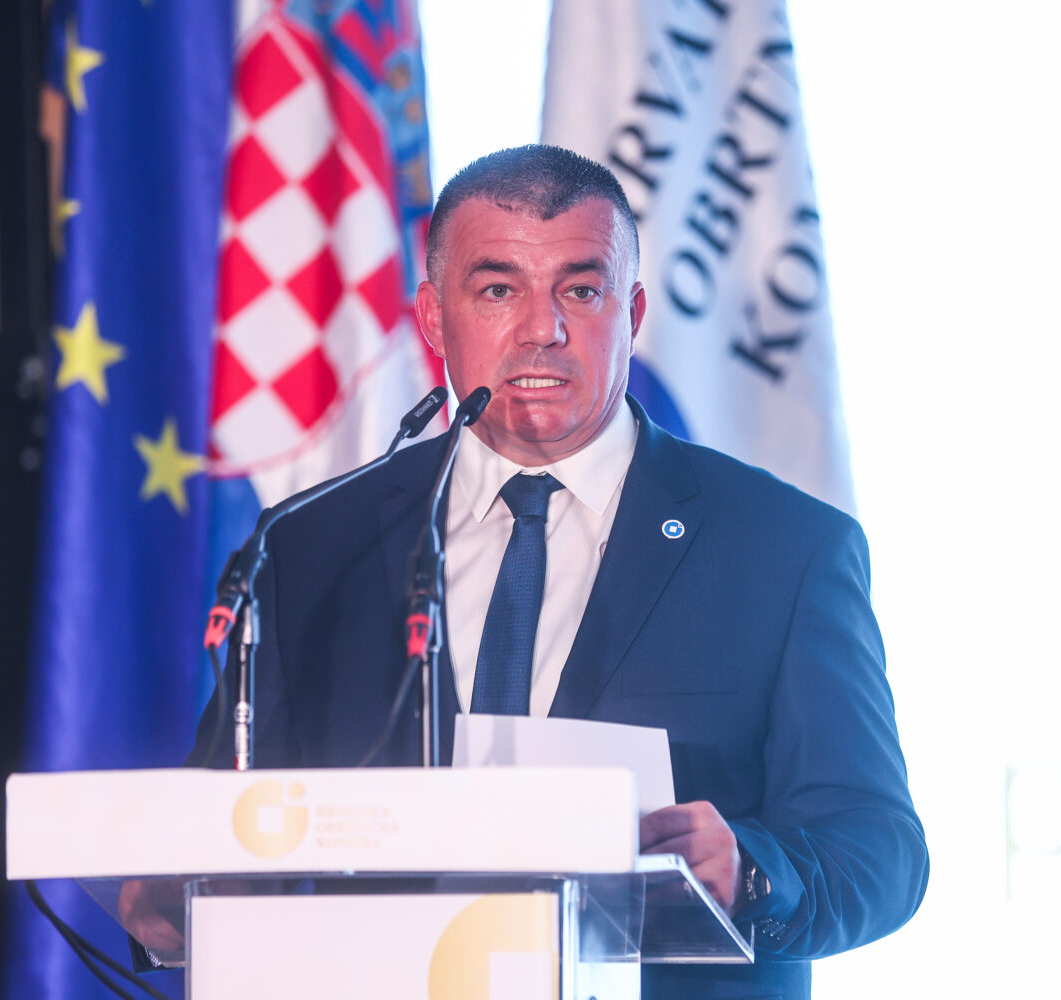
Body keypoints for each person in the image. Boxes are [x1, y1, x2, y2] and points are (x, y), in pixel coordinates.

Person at [128, 144, 927, 998]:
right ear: (434, 319)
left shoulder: (783, 548)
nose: (542, 329)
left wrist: (753, 872)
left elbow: (880, 850)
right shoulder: (310, 544)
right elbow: (225, 816)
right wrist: (174, 892)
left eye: (581, 291)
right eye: (498, 290)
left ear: (632, 313)